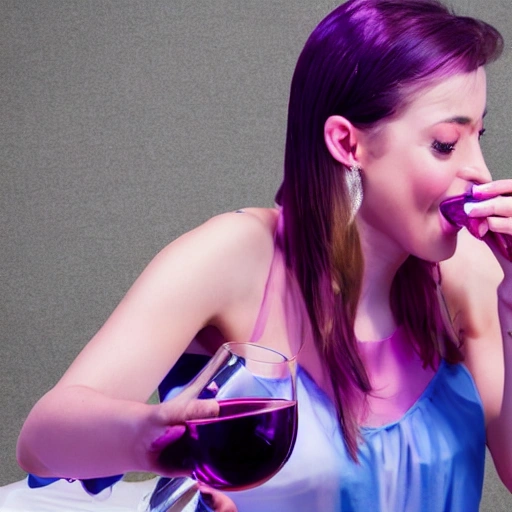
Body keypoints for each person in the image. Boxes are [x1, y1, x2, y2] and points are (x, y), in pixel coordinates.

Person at [16, 0, 512, 510]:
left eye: (479, 134)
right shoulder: (236, 257)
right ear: (347, 143)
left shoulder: (467, 273)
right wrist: (157, 440)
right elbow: (40, 440)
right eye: (447, 144)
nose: (479, 170)